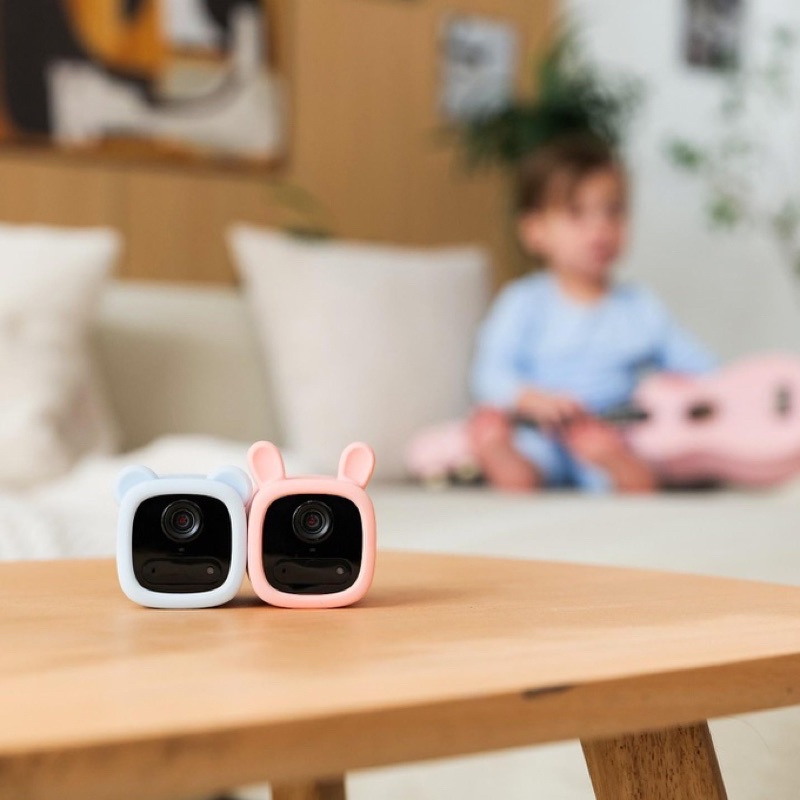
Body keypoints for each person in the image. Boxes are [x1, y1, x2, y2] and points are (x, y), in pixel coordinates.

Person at [469, 133, 716, 493]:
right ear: (535, 231)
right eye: (576, 213)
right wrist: (530, 399)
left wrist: (679, 392)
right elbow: (490, 373)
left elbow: (701, 368)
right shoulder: (523, 302)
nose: (600, 227)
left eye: (613, 211)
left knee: (637, 454)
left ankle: (624, 469)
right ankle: (505, 459)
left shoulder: (639, 307)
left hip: (612, 433)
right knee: (520, 446)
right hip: (540, 431)